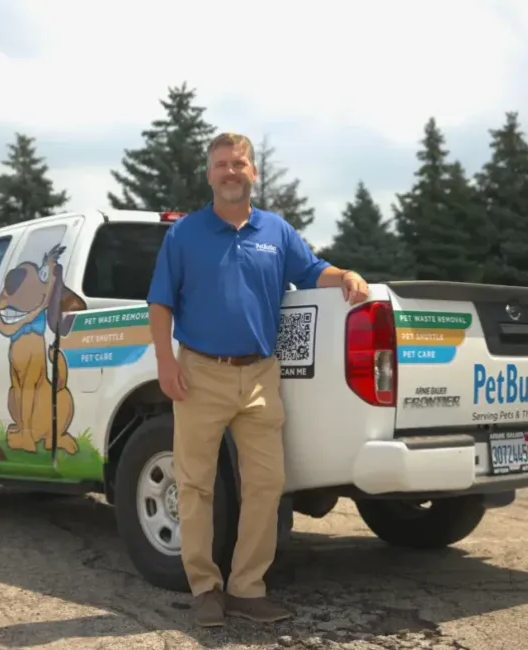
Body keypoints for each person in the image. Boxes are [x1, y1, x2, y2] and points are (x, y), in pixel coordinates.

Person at [146, 132, 370, 628]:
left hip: (261, 374)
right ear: (209, 175)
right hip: (200, 372)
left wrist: (346, 275)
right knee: (195, 485)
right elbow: (160, 301)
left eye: (239, 163)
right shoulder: (184, 235)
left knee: (267, 485)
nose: (230, 171)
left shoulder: (277, 230)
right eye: (221, 164)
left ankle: (248, 588)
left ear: (253, 172)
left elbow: (312, 271)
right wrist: (166, 363)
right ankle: (205, 589)